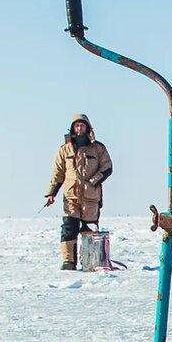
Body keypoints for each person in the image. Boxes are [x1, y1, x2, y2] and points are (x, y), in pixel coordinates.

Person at [44, 114, 113, 270]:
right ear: (72, 128)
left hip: (91, 199)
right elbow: (58, 174)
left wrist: (93, 182)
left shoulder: (98, 148)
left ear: (88, 128)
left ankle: (90, 261)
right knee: (69, 229)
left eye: (82, 125)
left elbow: (107, 167)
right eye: (77, 126)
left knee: (90, 231)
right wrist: (51, 194)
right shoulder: (64, 150)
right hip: (71, 198)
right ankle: (69, 262)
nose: (79, 128)